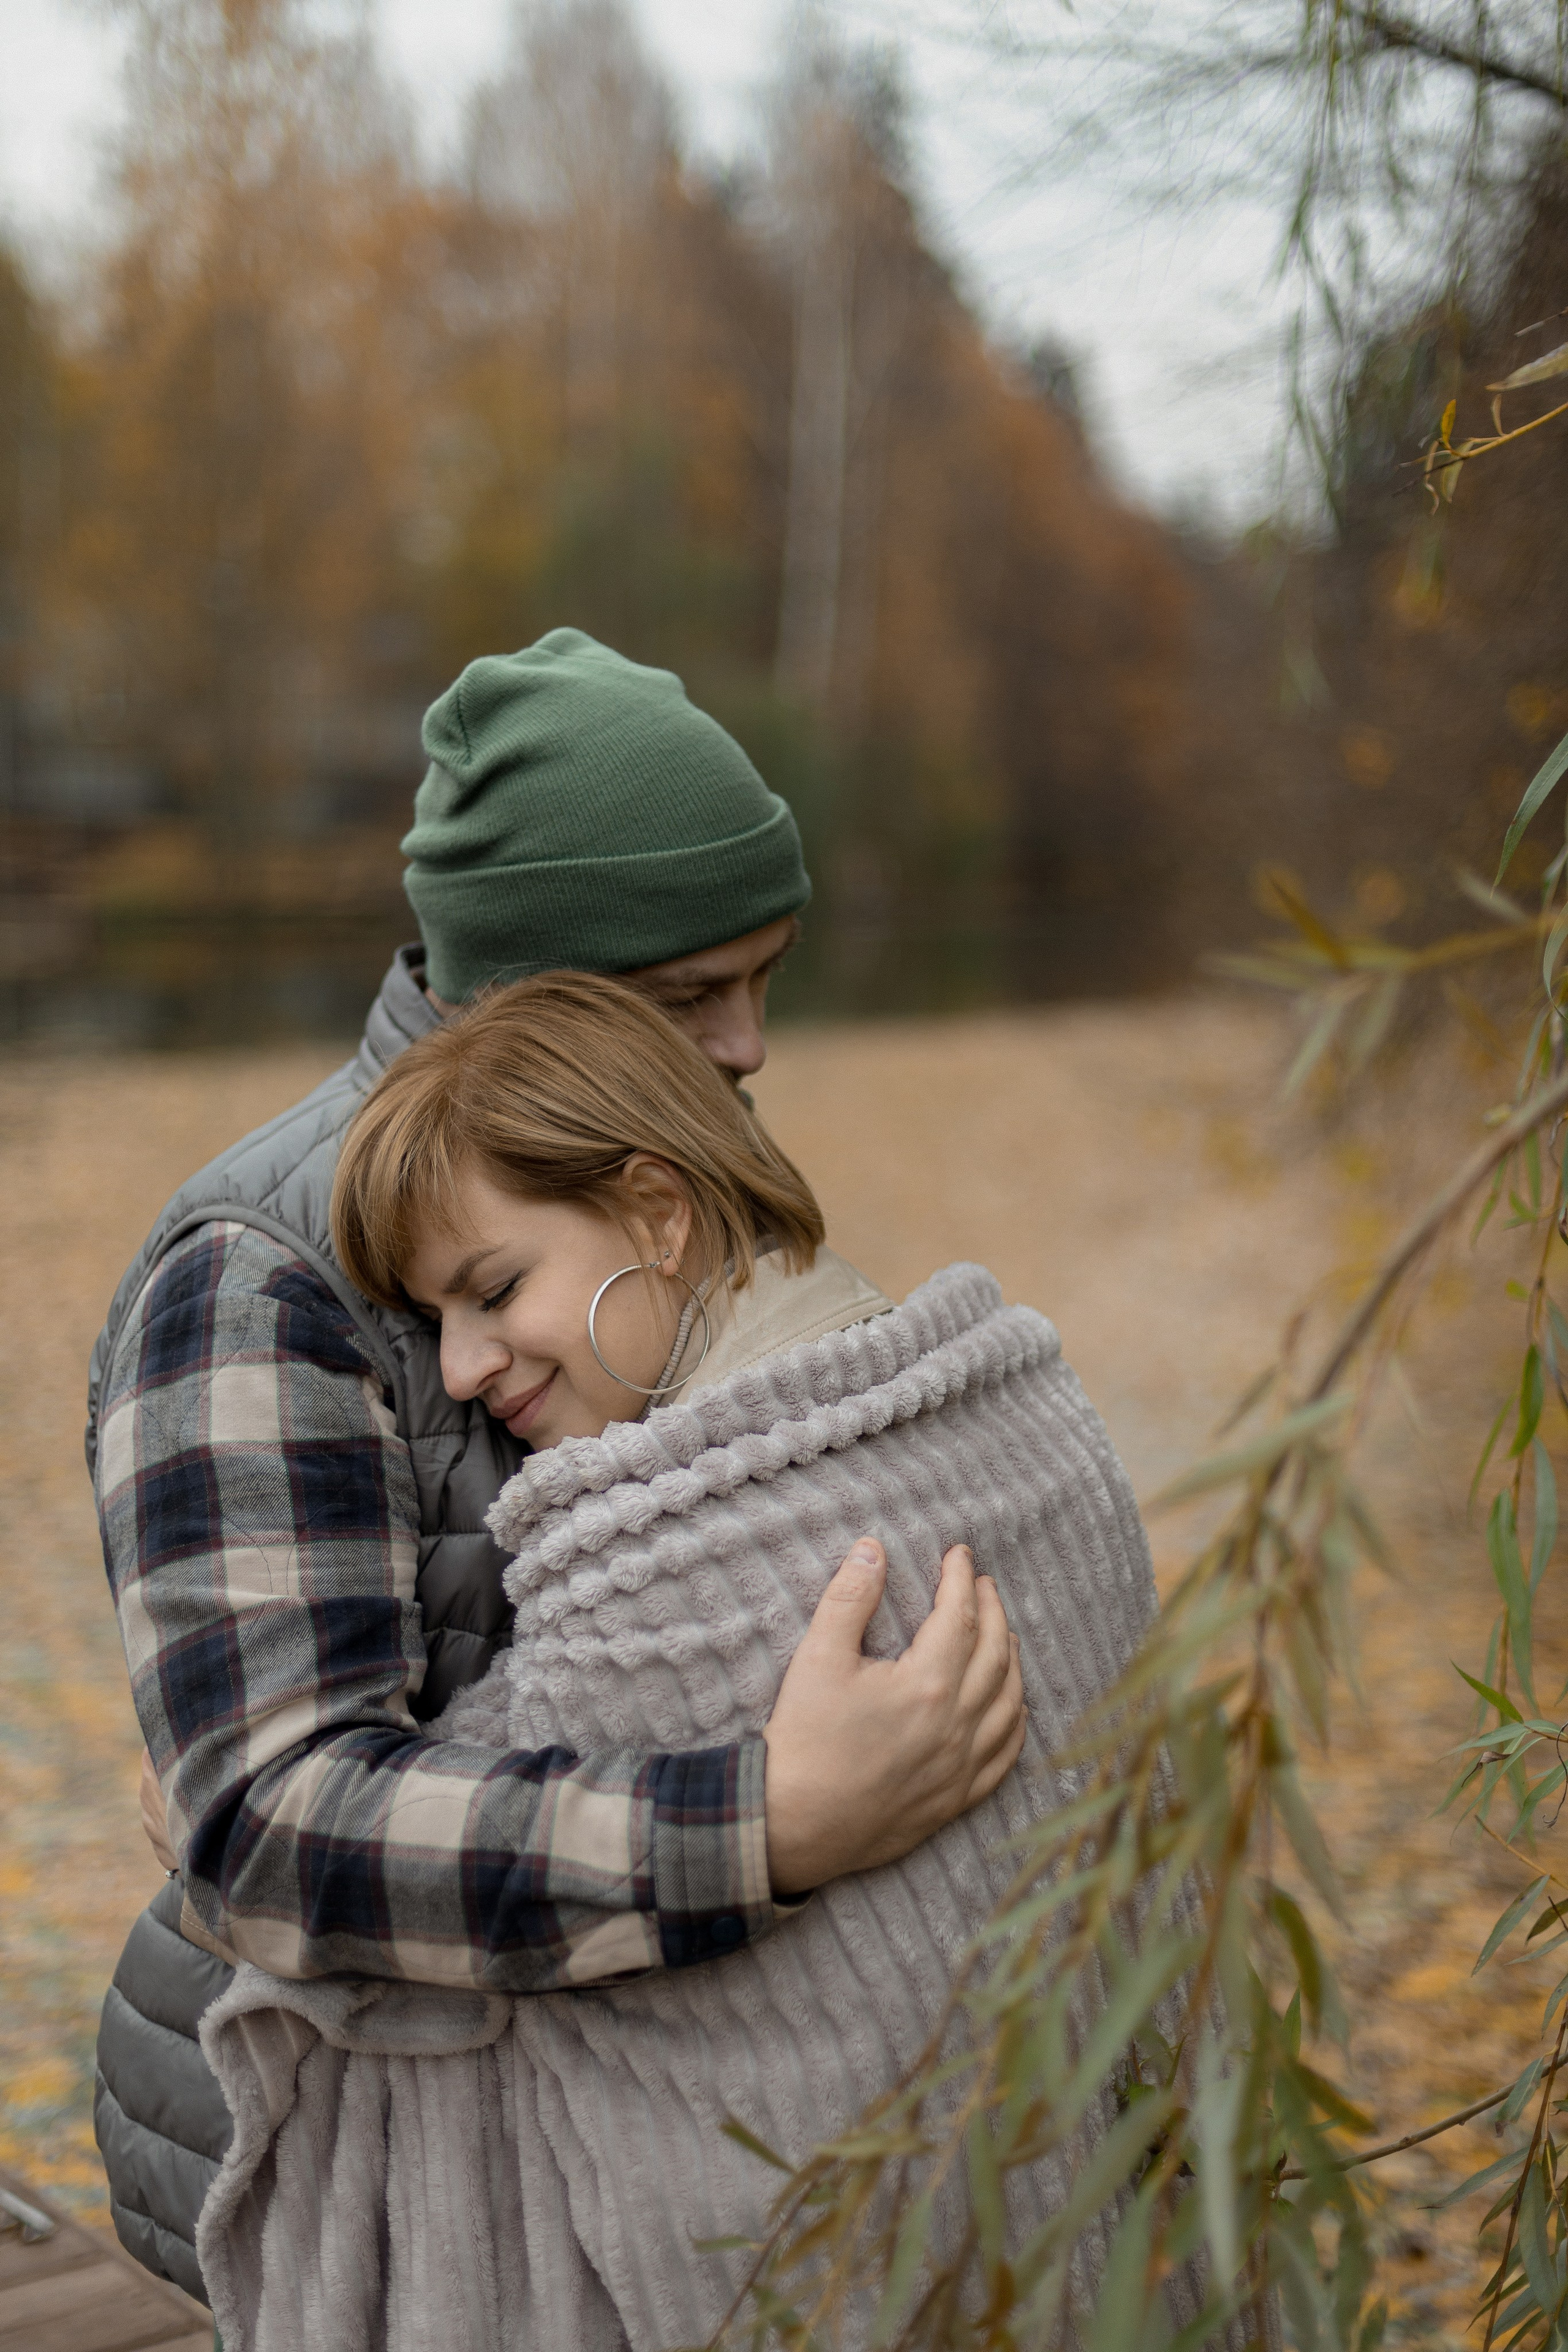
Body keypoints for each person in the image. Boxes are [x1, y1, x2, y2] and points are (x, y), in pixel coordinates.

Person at [88, 630, 1025, 2312]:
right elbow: (271, 1823)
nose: (748, 1047)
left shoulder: (636, 1164)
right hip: (336, 2203)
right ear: (531, 990)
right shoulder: (256, 1277)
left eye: (767, 976)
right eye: (688, 997)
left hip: (594, 2165)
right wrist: (765, 1823)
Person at [189, 973, 1165, 2352]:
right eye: (436, 1322)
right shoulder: (1038, 1419)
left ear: (657, 1208)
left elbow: (309, 1905)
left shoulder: (657, 1567)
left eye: (492, 1290)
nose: (462, 1367)